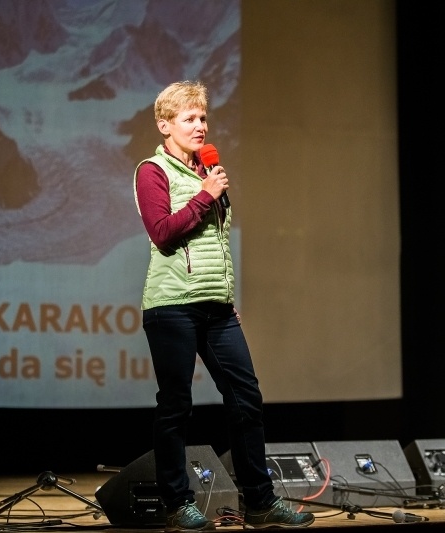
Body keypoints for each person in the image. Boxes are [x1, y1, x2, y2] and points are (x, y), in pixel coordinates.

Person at [133, 80, 315, 531]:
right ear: (165, 125)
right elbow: (162, 231)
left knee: (246, 398)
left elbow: (217, 244)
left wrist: (227, 296)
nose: (200, 126)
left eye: (203, 118)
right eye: (189, 119)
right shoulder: (151, 171)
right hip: (172, 305)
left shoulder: (204, 170)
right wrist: (206, 195)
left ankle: (259, 501)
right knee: (176, 405)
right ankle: (177, 503)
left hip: (216, 307)